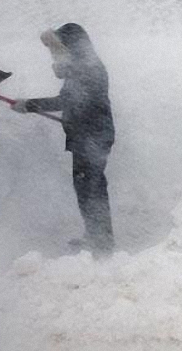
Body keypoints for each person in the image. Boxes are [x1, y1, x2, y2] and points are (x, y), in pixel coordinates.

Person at [11, 23, 115, 255]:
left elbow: (66, 101)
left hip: (93, 137)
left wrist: (28, 105)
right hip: (87, 135)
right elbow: (70, 97)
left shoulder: (88, 69)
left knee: (91, 188)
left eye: (60, 47)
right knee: (86, 188)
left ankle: (102, 244)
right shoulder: (83, 65)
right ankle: (96, 236)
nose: (56, 54)